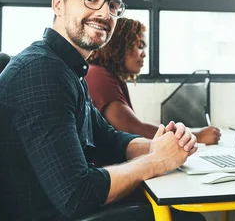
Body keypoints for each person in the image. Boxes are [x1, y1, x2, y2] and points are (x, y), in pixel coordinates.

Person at [0, 0, 203, 221]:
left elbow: (108, 138)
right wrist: (158, 161)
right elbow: (77, 195)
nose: (104, 13)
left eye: (112, 5)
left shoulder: (67, 68)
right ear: (58, 4)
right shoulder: (42, 71)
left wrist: (159, 145)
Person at [86, 17, 221, 145]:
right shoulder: (98, 75)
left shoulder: (110, 77)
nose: (144, 54)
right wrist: (198, 137)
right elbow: (132, 128)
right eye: (140, 46)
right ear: (119, 45)